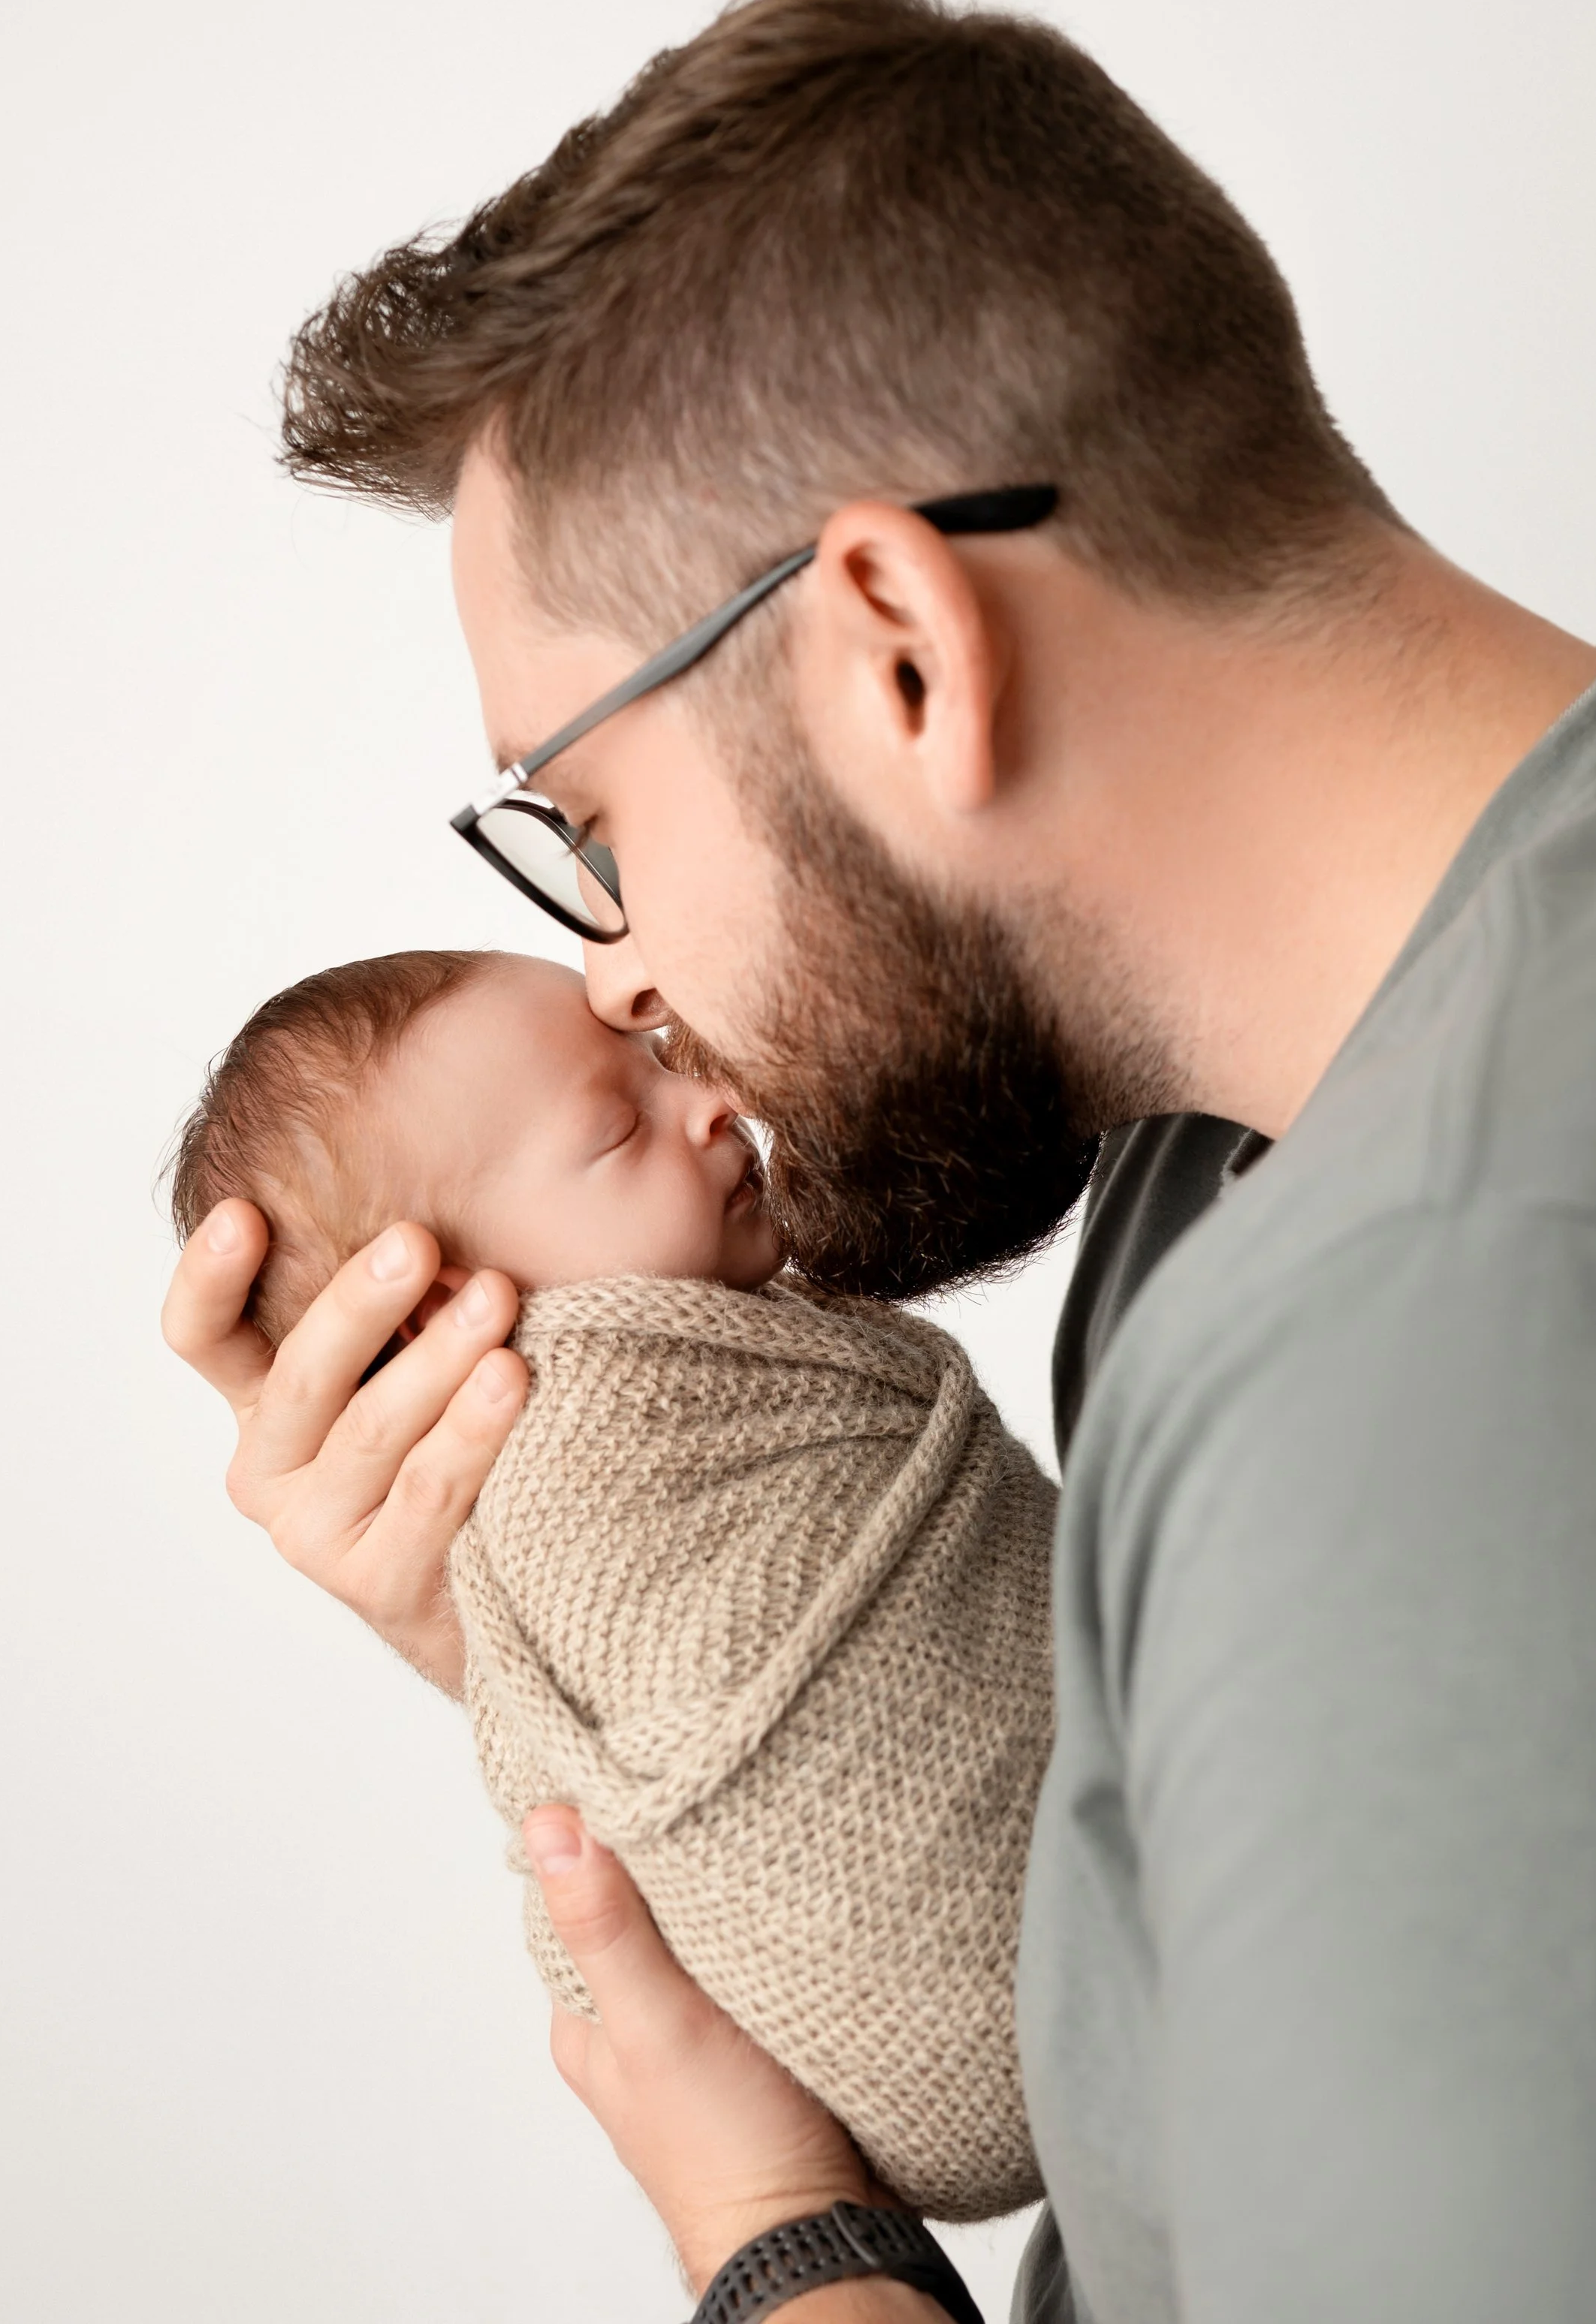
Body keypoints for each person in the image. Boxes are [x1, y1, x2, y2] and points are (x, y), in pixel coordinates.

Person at [162, 0, 1596, 2322]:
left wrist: (775, 2237)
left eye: (592, 820)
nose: (618, 969)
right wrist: (563, 1631)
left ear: (897, 647)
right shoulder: (1237, 1156)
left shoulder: (1431, 1362)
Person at [167, 944, 1058, 2230]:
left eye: (660, 1068)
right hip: (974, 2004)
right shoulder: (577, 1469)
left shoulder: (739, 1376)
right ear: (435, 1315)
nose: (705, 1100)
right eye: (612, 1125)